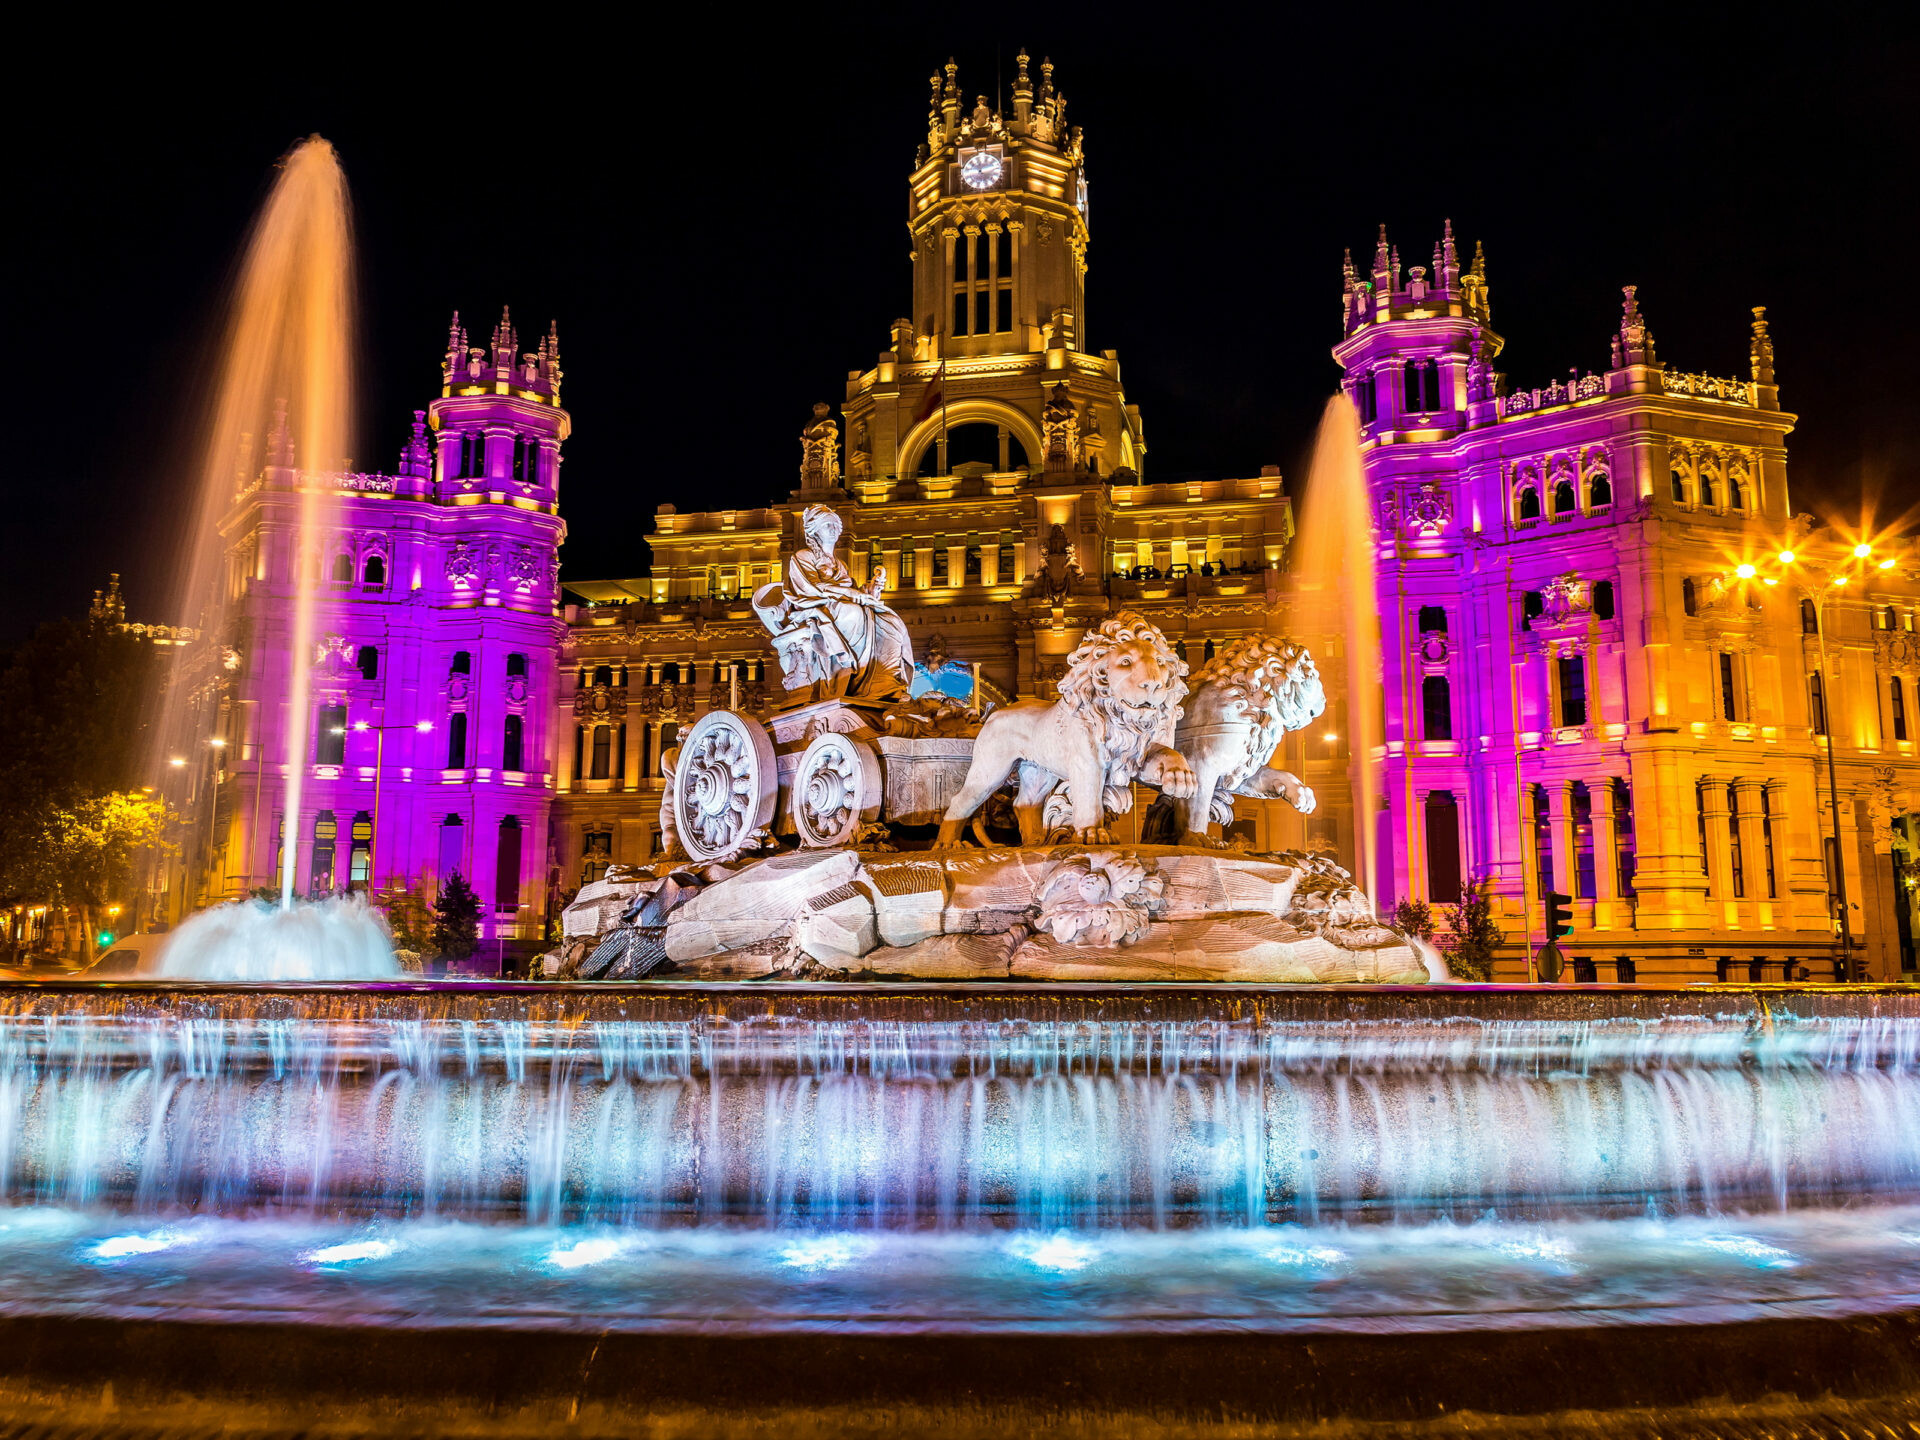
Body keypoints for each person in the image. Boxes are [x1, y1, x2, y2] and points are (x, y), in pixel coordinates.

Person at [754, 505, 914, 700]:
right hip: (814, 606)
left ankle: (883, 681)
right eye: (826, 525)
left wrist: (871, 591)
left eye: (835, 525)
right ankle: (853, 674)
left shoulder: (841, 564)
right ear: (814, 530)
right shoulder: (803, 557)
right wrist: (851, 594)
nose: (833, 529)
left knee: (891, 621)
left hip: (841, 606)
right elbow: (810, 587)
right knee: (852, 613)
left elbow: (854, 592)